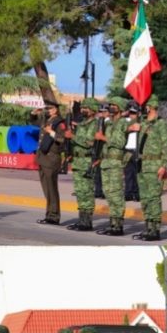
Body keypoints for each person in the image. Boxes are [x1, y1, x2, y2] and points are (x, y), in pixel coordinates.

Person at [132, 95, 167, 241]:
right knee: (145, 199)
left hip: (155, 166)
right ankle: (148, 227)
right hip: (142, 165)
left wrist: (164, 166)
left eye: (147, 105)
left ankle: (155, 230)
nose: (145, 108)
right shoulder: (142, 122)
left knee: (154, 199)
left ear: (152, 106)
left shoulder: (161, 124)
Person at [94, 97, 130, 236]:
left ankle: (118, 226)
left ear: (120, 107)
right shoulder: (108, 124)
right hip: (106, 163)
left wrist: (104, 138)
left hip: (115, 163)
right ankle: (112, 224)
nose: (111, 107)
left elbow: (120, 142)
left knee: (116, 195)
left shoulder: (122, 124)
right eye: (111, 105)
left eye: (114, 105)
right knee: (108, 193)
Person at [67, 98, 101, 232]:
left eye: (86, 108)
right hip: (78, 162)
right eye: (82, 107)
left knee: (87, 193)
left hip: (87, 162)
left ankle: (87, 222)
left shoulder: (94, 125)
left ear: (92, 110)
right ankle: (81, 220)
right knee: (80, 193)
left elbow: (89, 142)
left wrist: (73, 137)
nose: (83, 110)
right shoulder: (82, 124)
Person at [34, 101, 69, 225]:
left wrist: (51, 132)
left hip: (52, 158)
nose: (47, 110)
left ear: (55, 110)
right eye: (46, 108)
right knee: (46, 189)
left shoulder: (59, 122)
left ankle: (54, 216)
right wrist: (34, 113)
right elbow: (34, 122)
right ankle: (49, 214)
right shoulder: (46, 120)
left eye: (49, 108)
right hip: (42, 158)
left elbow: (62, 138)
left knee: (52, 188)